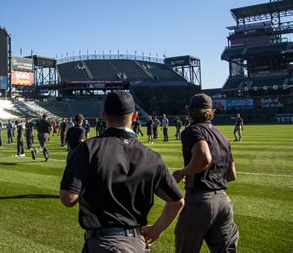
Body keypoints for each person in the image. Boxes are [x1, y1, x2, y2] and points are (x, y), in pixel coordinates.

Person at [60, 91, 184, 252]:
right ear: (134, 117)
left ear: (104, 116)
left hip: (103, 243)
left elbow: (68, 198)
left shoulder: (87, 149)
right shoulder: (152, 157)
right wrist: (156, 230)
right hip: (137, 244)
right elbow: (177, 202)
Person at [172, 93, 238, 252]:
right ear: (211, 111)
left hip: (200, 199)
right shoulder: (222, 136)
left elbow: (203, 158)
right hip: (223, 201)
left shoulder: (192, 131)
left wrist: (183, 172)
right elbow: (231, 175)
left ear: (190, 111)